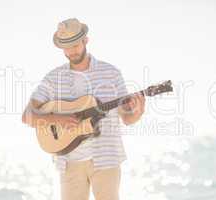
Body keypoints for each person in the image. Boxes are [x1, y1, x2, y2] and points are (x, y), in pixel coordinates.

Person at [22, 18, 145, 200]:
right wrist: (58, 119)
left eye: (75, 45)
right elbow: (28, 116)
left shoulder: (111, 73)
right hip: (69, 163)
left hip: (106, 159)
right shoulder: (53, 78)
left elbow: (127, 119)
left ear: (86, 40)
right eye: (66, 47)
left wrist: (137, 111)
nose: (71, 51)